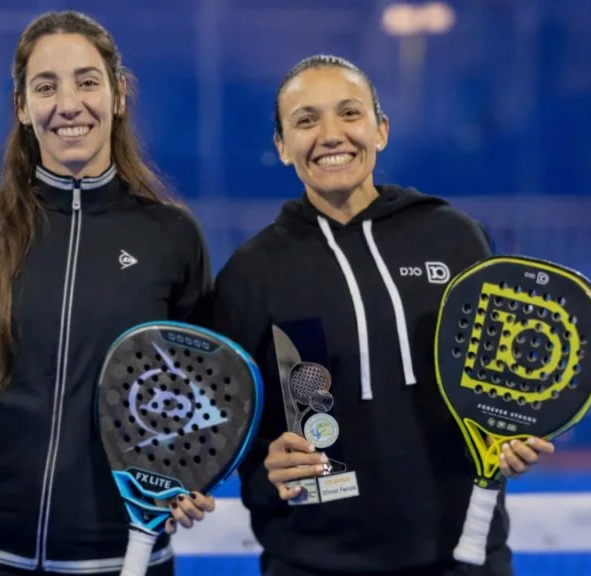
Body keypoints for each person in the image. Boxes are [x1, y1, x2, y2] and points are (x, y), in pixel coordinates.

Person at [206, 54, 557, 576]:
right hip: (311, 565)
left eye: (349, 113)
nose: (331, 135)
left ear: (381, 129)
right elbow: (228, 428)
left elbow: (499, 382)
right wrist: (265, 460)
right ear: (282, 146)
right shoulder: (250, 273)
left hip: (464, 557)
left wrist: (514, 431)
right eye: (306, 120)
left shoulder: (455, 238)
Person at [0, 11, 215, 575]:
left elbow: (203, 389)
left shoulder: (171, 236)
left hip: (121, 557)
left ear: (118, 96)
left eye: (87, 82)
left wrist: (193, 476)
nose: (69, 104)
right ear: (22, 107)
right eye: (46, 87)